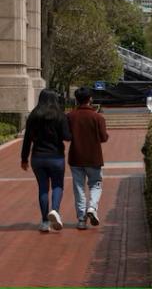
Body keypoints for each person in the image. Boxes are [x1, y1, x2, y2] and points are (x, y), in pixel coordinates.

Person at [21, 89, 71, 232]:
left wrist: (24, 158)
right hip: (56, 156)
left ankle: (44, 222)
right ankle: (54, 210)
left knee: (43, 188)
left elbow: (27, 139)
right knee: (57, 185)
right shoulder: (60, 116)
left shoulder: (34, 115)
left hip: (37, 157)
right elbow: (67, 137)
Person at [68, 87, 109, 230]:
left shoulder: (70, 116)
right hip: (93, 157)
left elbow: (67, 136)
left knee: (78, 188)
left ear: (76, 99)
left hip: (76, 157)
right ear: (90, 99)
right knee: (96, 184)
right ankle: (92, 207)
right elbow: (104, 138)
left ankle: (81, 219)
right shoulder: (98, 117)